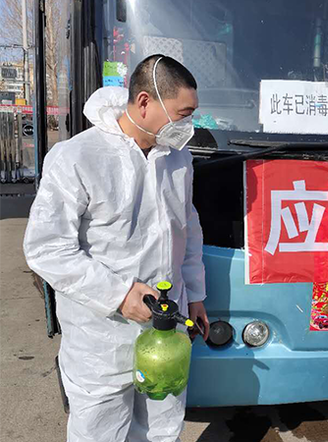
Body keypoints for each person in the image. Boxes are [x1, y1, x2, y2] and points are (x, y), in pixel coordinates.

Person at [23, 54, 209, 442]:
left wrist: (196, 296)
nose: (187, 127)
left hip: (164, 337)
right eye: (182, 114)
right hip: (100, 339)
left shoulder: (178, 159)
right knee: (100, 433)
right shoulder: (77, 157)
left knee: (161, 430)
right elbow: (46, 249)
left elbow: (186, 229)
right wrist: (119, 294)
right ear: (144, 101)